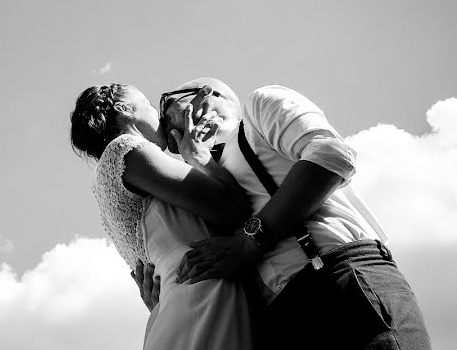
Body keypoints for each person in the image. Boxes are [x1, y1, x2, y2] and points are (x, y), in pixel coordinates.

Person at [135, 78, 430, 350]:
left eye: (166, 108)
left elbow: (330, 154)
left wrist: (248, 241)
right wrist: (173, 300)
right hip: (274, 324)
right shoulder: (205, 179)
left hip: (338, 284)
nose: (162, 124)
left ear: (204, 94)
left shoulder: (259, 108)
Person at [70, 83, 256, 350]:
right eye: (146, 102)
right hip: (202, 296)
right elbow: (232, 209)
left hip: (174, 305)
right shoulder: (126, 150)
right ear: (125, 110)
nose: (158, 115)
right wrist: (199, 158)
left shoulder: (108, 180)